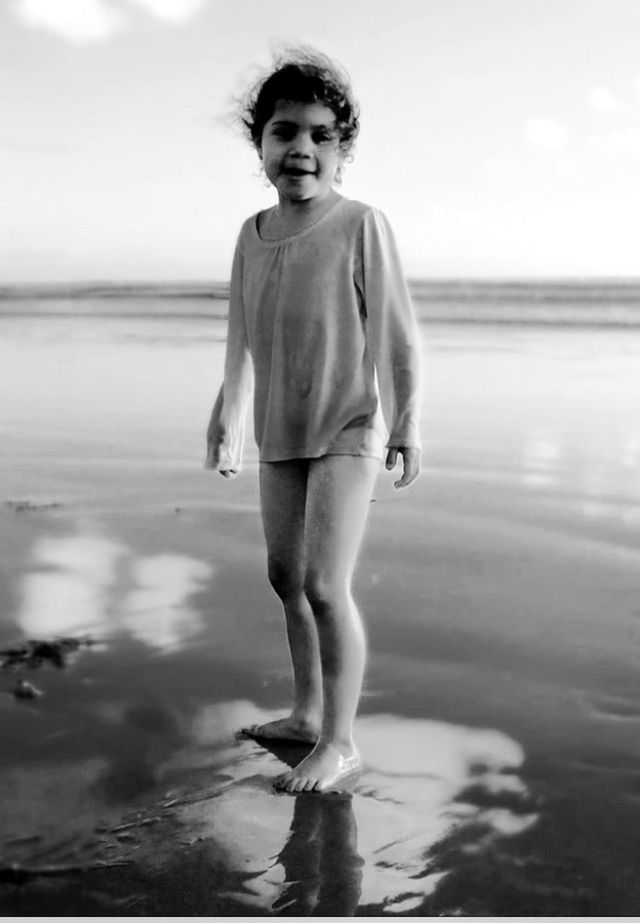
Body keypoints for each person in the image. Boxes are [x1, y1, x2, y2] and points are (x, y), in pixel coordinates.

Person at [206, 48, 422, 794]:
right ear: (260, 144)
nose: (301, 147)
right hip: (280, 426)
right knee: (283, 575)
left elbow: (396, 331)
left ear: (343, 148)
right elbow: (240, 333)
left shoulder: (362, 224)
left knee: (326, 583)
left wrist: (407, 419)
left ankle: (340, 739)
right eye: (284, 131)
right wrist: (228, 413)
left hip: (348, 427)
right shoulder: (250, 233)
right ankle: (304, 712)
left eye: (321, 134)